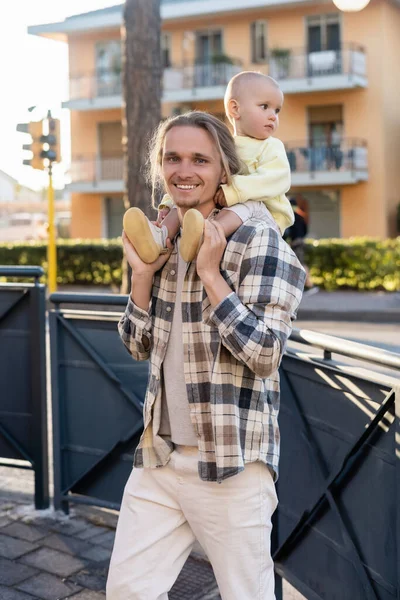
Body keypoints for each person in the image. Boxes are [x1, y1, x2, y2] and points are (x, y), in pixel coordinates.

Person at [106, 112, 305, 600]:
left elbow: (265, 354)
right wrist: (142, 277)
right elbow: (136, 344)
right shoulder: (165, 240)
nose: (183, 170)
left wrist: (213, 277)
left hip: (232, 466)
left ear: (224, 171)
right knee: (127, 592)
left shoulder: (260, 242)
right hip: (159, 460)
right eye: (172, 158)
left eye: (200, 158)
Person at [123, 71, 294, 263]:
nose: (273, 116)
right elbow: (196, 177)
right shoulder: (223, 144)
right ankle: (159, 237)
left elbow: (276, 180)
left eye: (277, 110)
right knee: (179, 209)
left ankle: (203, 238)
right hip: (229, 205)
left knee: (243, 208)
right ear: (235, 109)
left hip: (264, 210)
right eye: (265, 107)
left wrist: (234, 191)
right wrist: (170, 202)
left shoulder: (271, 146)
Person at [284, 196, 316, 292]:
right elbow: (306, 230)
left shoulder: (291, 215)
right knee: (299, 263)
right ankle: (304, 285)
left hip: (296, 242)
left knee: (300, 263)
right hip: (301, 241)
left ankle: (309, 285)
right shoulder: (301, 215)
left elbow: (288, 231)